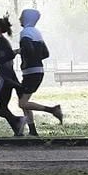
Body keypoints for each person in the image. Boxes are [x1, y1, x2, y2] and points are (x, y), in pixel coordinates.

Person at [15, 8, 63, 136]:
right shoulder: (36, 32)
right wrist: (23, 53)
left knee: (23, 103)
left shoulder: (25, 32)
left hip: (31, 72)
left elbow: (28, 49)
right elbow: (45, 53)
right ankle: (32, 131)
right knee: (24, 102)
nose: (19, 19)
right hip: (37, 71)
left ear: (26, 19)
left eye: (21, 16)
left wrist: (25, 61)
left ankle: (52, 110)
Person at [0, 16, 26, 137]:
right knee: (3, 106)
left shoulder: (2, 41)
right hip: (7, 79)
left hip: (4, 79)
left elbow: (10, 56)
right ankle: (18, 130)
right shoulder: (2, 42)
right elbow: (6, 57)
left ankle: (18, 120)